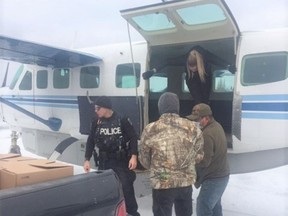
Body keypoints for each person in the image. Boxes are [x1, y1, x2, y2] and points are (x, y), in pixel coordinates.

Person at [139, 92, 204, 216]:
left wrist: (156, 167)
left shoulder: (150, 129)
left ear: (160, 108)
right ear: (177, 107)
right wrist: (185, 165)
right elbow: (199, 155)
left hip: (162, 182)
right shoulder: (193, 128)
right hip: (185, 183)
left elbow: (144, 159)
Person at [83, 96, 140, 216]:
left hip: (120, 161)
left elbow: (133, 137)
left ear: (105, 108)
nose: (96, 110)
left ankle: (132, 212)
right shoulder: (96, 122)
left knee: (126, 188)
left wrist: (134, 156)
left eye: (98, 108)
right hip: (104, 162)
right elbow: (91, 140)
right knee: (104, 189)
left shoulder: (122, 120)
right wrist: (87, 159)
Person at [186, 103, 230, 216]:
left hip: (214, 178)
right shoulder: (217, 126)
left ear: (206, 118)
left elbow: (204, 161)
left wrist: (188, 161)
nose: (195, 123)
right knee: (215, 207)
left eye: (197, 120)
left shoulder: (207, 134)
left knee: (203, 206)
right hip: (221, 176)